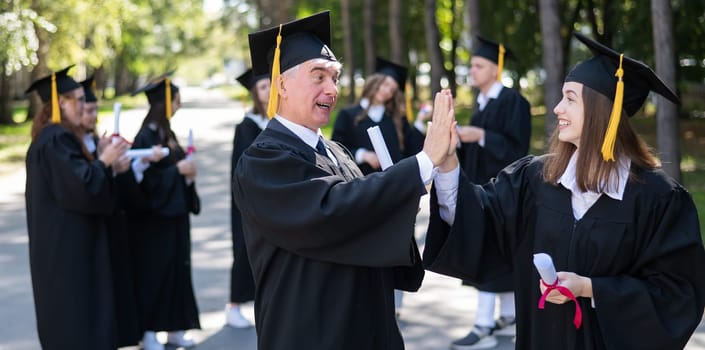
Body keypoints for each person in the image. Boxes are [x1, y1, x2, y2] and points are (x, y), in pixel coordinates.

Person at [423, 32, 705, 349]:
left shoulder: (659, 199)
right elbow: (479, 220)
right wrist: (448, 164)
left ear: (604, 112)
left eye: (570, 98)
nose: (557, 108)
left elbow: (677, 296)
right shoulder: (535, 178)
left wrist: (591, 289)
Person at [234, 11, 456, 350]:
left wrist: (400, 204)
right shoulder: (264, 160)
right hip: (310, 332)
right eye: (318, 76)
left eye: (335, 78)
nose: (332, 89)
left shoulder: (337, 150)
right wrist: (421, 164)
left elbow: (364, 216)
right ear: (281, 85)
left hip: (368, 326)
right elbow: (332, 211)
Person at [25, 66, 129, 349]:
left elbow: (80, 179)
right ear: (61, 103)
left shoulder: (56, 139)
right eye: (79, 100)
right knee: (77, 326)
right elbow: (82, 188)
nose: (84, 106)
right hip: (67, 254)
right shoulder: (55, 139)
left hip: (68, 249)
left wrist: (100, 157)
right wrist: (104, 160)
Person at [451, 36, 532, 349]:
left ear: (496, 69)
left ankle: (483, 323)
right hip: (482, 188)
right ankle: (509, 315)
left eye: (478, 65)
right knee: (497, 252)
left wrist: (481, 135)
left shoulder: (515, 103)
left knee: (491, 251)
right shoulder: (482, 102)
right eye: (471, 65)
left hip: (505, 192)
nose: (472, 70)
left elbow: (518, 150)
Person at [127, 74, 201, 350]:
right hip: (154, 220)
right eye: (176, 100)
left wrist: (188, 173)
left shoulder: (166, 133)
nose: (179, 105)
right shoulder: (144, 136)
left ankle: (174, 328)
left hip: (174, 216)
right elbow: (145, 181)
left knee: (177, 272)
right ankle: (148, 333)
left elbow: (173, 169)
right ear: (164, 102)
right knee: (154, 274)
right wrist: (177, 171)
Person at [225, 68, 270, 328]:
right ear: (254, 93)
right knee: (244, 249)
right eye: (262, 88)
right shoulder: (247, 125)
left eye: (269, 86)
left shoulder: (275, 121)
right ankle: (233, 306)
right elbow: (242, 167)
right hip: (248, 201)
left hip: (269, 201)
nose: (266, 91)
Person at [332, 57, 428, 175]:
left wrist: (420, 121)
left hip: (394, 183)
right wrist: (362, 155)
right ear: (375, 82)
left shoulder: (397, 119)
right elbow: (336, 149)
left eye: (392, 90)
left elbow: (412, 149)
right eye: (385, 84)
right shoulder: (347, 115)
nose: (387, 91)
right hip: (361, 184)